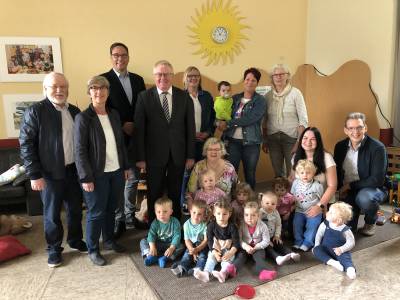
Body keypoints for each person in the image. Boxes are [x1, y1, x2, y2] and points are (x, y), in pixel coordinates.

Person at [19, 72, 86, 268]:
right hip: (49, 174)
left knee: (75, 210)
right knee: (52, 214)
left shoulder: (74, 111)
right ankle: (54, 249)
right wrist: (34, 174)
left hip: (73, 172)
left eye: (63, 86)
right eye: (54, 86)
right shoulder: (35, 111)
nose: (59, 90)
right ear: (45, 89)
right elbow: (26, 144)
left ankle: (75, 240)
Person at [74, 76, 129, 266]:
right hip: (96, 175)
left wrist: (126, 167)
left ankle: (109, 240)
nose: (99, 92)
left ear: (108, 91)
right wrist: (85, 177)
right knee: (96, 212)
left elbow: (120, 144)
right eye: (95, 88)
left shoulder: (114, 114)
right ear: (89, 92)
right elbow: (79, 151)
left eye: (103, 88)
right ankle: (93, 249)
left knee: (111, 209)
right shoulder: (83, 118)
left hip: (116, 171)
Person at [135, 60, 196, 222]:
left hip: (178, 154)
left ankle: (175, 225)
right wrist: (140, 158)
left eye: (167, 74)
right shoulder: (144, 97)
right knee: (154, 192)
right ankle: (155, 228)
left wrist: (190, 155)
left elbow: (190, 128)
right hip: (153, 155)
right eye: (159, 74)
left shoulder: (184, 97)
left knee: (176, 192)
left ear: (172, 76)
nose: (163, 78)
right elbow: (139, 131)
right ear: (154, 76)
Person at [100, 42, 146, 239]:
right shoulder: (103, 80)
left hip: (135, 139)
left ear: (128, 57)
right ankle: (118, 219)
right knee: (119, 182)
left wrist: (137, 125)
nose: (120, 58)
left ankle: (129, 216)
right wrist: (121, 126)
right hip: (114, 140)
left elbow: (144, 107)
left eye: (124, 55)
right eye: (116, 55)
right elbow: (101, 109)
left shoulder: (138, 79)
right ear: (111, 57)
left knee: (133, 180)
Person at [334, 112, 388, 236]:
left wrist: (349, 186)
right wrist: (337, 191)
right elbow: (336, 171)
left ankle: (370, 221)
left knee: (364, 199)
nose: (356, 132)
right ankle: (355, 213)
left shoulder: (377, 148)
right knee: (346, 231)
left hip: (371, 189)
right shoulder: (340, 146)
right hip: (348, 191)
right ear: (345, 130)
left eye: (359, 127)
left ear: (365, 128)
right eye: (351, 128)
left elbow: (377, 180)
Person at [219, 68, 266, 189]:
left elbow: (250, 119)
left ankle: (250, 203)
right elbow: (224, 112)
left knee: (249, 173)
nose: (250, 82)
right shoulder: (234, 98)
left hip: (251, 143)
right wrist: (219, 122)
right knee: (231, 173)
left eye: (253, 80)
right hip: (232, 142)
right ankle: (232, 201)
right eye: (247, 79)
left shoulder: (260, 101)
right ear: (243, 81)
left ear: (257, 83)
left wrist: (229, 123)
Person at [262, 63, 308, 178]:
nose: (278, 77)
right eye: (275, 75)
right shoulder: (267, 96)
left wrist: (299, 142)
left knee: (293, 171)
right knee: (278, 173)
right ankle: (282, 196)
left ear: (288, 76)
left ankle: (293, 195)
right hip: (272, 138)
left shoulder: (296, 93)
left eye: (282, 74)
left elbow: (303, 119)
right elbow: (264, 120)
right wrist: (265, 140)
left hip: (291, 138)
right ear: (272, 78)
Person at [291, 127, 338, 218]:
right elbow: (292, 179)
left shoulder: (327, 157)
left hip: (322, 201)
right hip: (301, 203)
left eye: (313, 139)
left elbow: (332, 186)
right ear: (301, 140)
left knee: (317, 230)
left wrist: (320, 206)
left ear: (318, 142)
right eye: (305, 138)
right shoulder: (295, 157)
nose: (308, 142)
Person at [194, 199, 239, 283]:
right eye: (218, 213)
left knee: (227, 260)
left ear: (229, 214)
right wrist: (214, 252)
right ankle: (206, 273)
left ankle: (223, 274)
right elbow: (210, 241)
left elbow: (236, 243)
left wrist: (230, 253)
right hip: (216, 246)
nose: (221, 217)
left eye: (224, 214)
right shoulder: (211, 225)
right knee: (211, 257)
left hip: (228, 248)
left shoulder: (232, 227)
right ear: (214, 213)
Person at [233, 201, 277, 281]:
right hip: (245, 248)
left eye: (253, 215)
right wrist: (246, 246)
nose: (249, 218)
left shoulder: (263, 226)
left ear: (258, 216)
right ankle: (231, 269)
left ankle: (262, 272)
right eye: (246, 215)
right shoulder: (242, 225)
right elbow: (239, 239)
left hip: (258, 248)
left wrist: (257, 247)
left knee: (260, 258)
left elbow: (266, 241)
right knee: (240, 257)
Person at [313, 202, 356, 280]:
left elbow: (351, 242)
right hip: (325, 249)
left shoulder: (345, 230)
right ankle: (333, 262)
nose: (327, 213)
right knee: (315, 250)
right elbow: (319, 234)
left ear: (339, 220)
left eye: (331, 212)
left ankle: (350, 270)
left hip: (339, 251)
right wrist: (317, 244)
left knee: (346, 259)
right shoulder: (325, 224)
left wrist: (341, 249)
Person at [139, 197, 184, 268]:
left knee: (181, 246)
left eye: (165, 211)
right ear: (155, 212)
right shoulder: (155, 223)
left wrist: (172, 248)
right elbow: (151, 235)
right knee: (143, 241)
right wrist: (152, 246)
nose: (161, 214)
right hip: (158, 243)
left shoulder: (175, 222)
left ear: (171, 212)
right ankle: (150, 256)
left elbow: (177, 236)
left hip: (169, 244)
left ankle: (165, 258)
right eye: (158, 212)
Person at [183, 66, 215, 162]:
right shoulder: (179, 97)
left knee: (203, 172)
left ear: (200, 78)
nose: (194, 78)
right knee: (186, 173)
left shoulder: (207, 96)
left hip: (204, 141)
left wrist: (207, 132)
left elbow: (213, 117)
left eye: (196, 75)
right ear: (185, 78)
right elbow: (176, 121)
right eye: (190, 75)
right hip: (186, 142)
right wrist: (191, 134)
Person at [291, 160, 324, 251]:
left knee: (312, 226)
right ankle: (298, 241)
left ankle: (308, 242)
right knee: (296, 224)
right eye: (302, 173)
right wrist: (291, 206)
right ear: (298, 174)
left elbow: (323, 200)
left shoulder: (317, 186)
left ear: (313, 173)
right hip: (299, 210)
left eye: (308, 173)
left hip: (313, 211)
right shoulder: (295, 183)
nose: (305, 175)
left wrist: (324, 211)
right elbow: (292, 196)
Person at [260, 191, 300, 265]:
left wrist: (277, 235)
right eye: (267, 203)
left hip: (273, 235)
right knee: (268, 248)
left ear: (276, 205)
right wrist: (266, 240)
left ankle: (291, 253)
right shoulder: (260, 213)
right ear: (262, 203)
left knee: (279, 243)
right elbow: (257, 227)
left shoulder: (275, 212)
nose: (270, 206)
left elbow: (278, 224)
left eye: (273, 204)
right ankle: (277, 258)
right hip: (262, 238)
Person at [170, 200, 208, 277]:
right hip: (191, 245)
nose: (196, 216)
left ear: (204, 215)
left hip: (202, 246)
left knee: (202, 257)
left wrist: (197, 249)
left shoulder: (205, 225)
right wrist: (192, 250)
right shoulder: (186, 225)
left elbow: (206, 240)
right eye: (194, 213)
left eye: (199, 214)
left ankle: (198, 269)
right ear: (190, 211)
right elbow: (187, 240)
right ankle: (182, 267)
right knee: (186, 255)